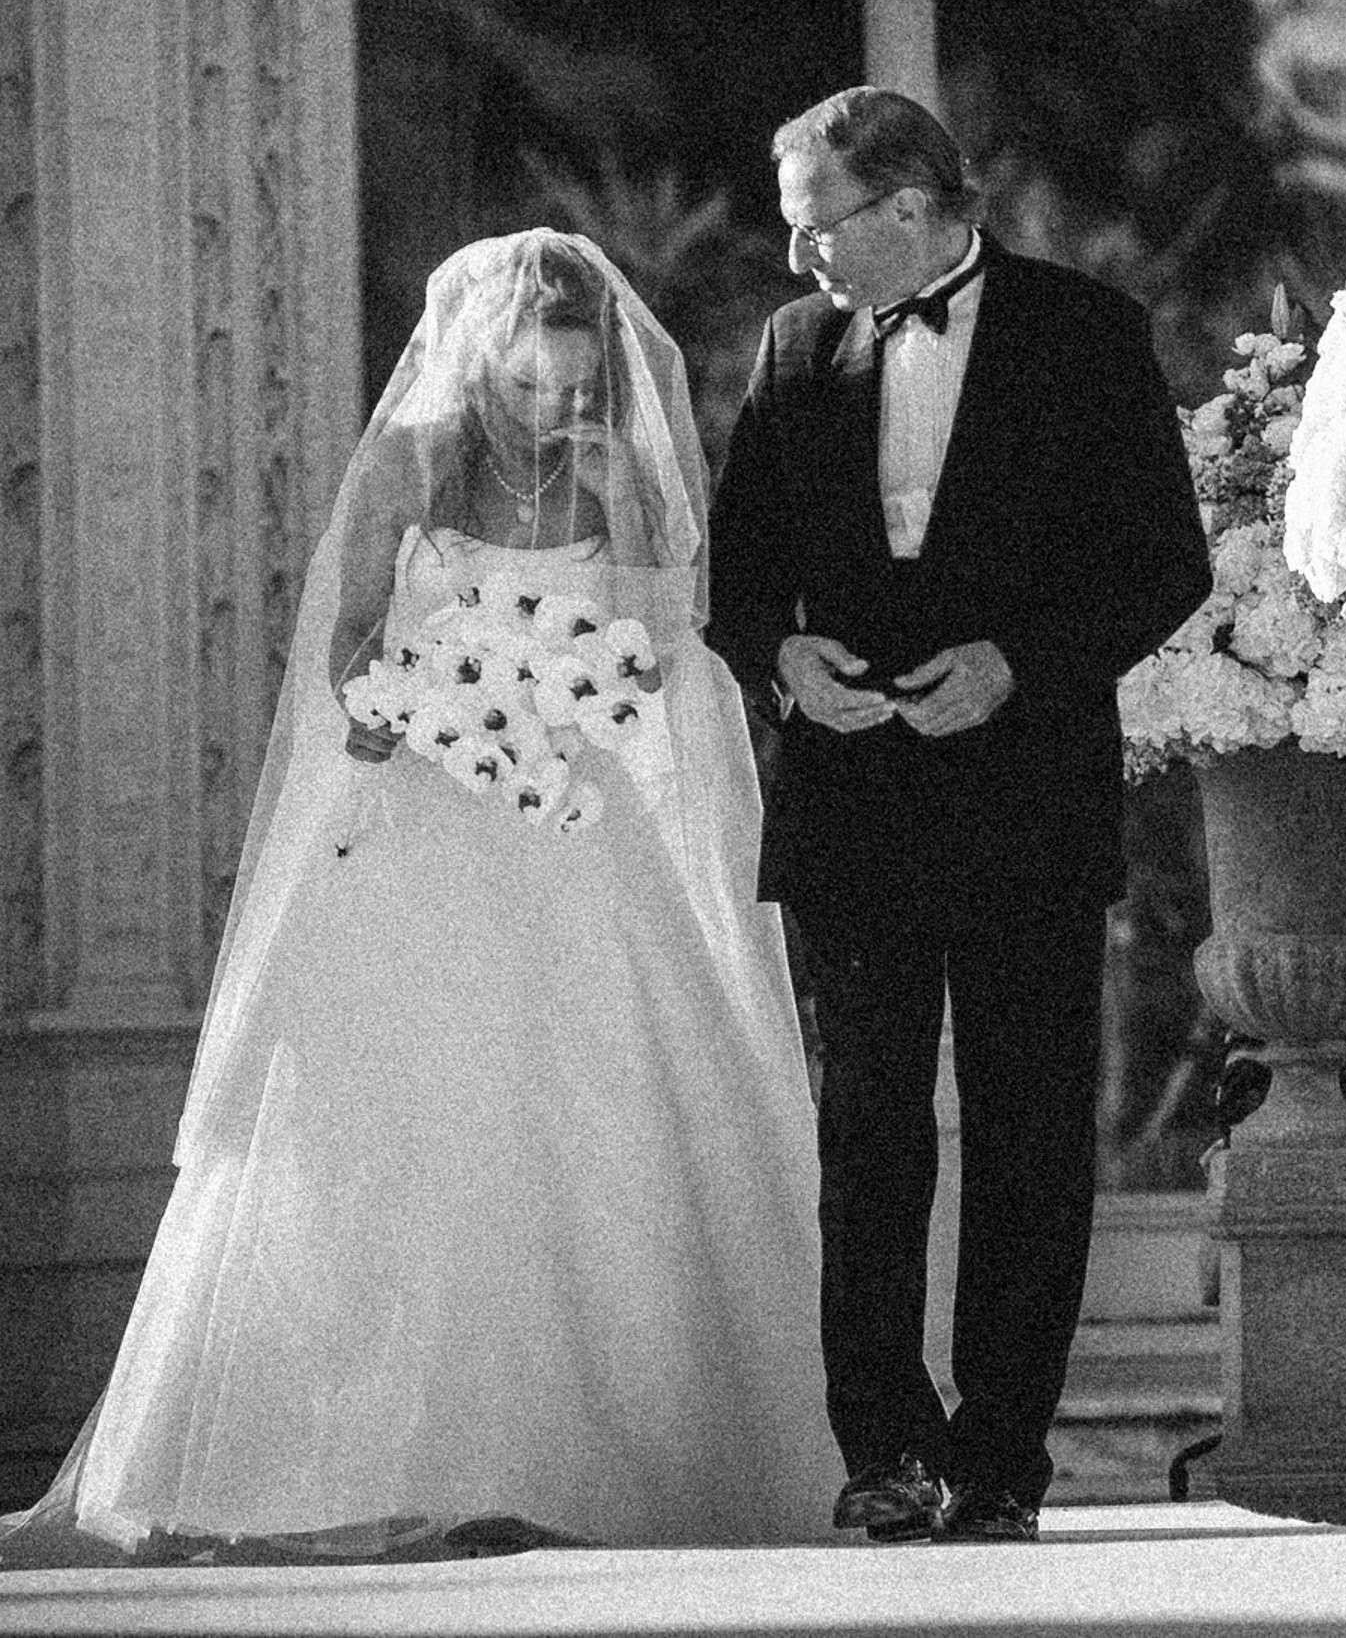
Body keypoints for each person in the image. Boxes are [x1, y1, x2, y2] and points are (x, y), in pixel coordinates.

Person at [1, 232, 838, 1566]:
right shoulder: (408, 463)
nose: (551, 414)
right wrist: (395, 708)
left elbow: (659, 652)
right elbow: (342, 641)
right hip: (418, 825)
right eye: (525, 390)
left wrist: (581, 642)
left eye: (571, 391)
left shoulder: (616, 470)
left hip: (573, 830)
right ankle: (364, 1466)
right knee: (395, 1120)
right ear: (472, 369)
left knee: (594, 1114)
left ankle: (587, 1466)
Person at [707, 88, 1212, 1544]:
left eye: (820, 232)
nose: (803, 264)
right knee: (866, 1137)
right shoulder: (793, 347)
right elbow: (741, 572)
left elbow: (1160, 565)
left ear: (914, 207)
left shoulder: (1087, 332)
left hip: (1025, 794)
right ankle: (888, 1452)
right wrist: (780, 658)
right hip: (848, 805)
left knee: (1028, 1137)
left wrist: (1016, 666)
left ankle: (1001, 1461)